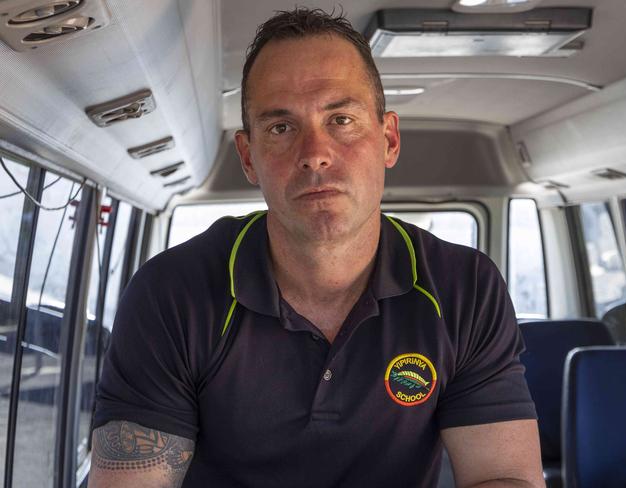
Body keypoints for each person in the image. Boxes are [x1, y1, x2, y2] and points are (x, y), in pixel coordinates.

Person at [89, 8, 544, 488]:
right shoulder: (172, 293)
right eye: (281, 127)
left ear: (388, 138)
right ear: (248, 157)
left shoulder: (464, 287)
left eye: (341, 119)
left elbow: (505, 476)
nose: (314, 153)